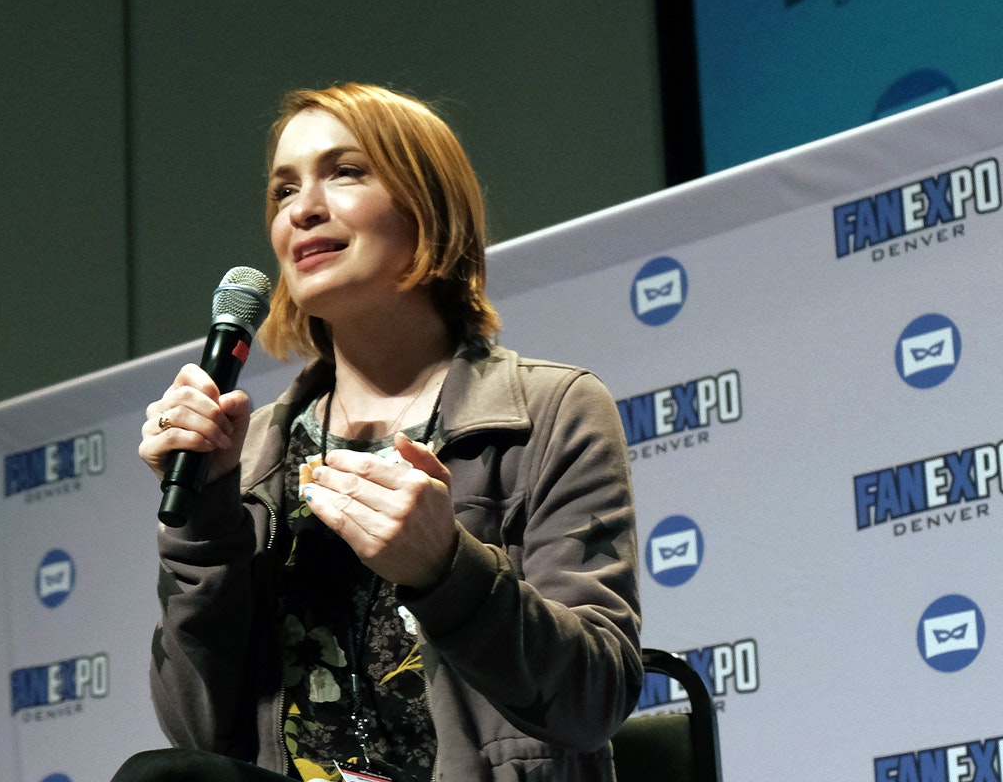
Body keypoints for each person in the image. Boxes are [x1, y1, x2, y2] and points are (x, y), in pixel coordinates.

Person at [115, 82, 641, 782]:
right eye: (282, 191)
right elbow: (199, 730)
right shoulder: (255, 454)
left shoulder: (550, 412)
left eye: (345, 172)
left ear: (427, 204)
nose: (301, 210)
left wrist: (445, 570)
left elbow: (592, 699)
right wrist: (204, 521)